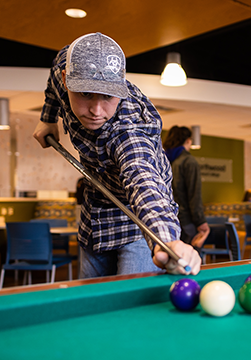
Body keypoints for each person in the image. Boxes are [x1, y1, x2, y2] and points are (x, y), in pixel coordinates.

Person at [33, 32, 201, 278]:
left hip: (139, 220)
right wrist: (47, 119)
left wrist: (167, 241)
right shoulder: (64, 67)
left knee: (134, 307)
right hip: (96, 209)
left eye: (108, 96)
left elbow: (143, 181)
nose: (96, 110)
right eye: (86, 93)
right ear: (66, 80)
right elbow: (52, 86)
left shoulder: (129, 131)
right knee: (91, 305)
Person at [163, 126, 210, 250]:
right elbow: (194, 195)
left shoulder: (164, 161)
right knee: (189, 261)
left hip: (167, 221)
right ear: (188, 140)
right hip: (187, 222)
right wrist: (200, 222)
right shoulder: (189, 161)